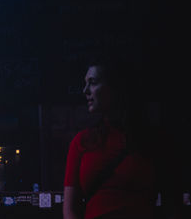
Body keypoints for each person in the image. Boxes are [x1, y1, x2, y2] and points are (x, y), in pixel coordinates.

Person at [63, 52, 182, 219]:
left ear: (116, 87)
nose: (85, 90)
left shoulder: (157, 142)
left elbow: (173, 206)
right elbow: (70, 209)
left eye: (93, 83)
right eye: (85, 83)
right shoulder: (82, 142)